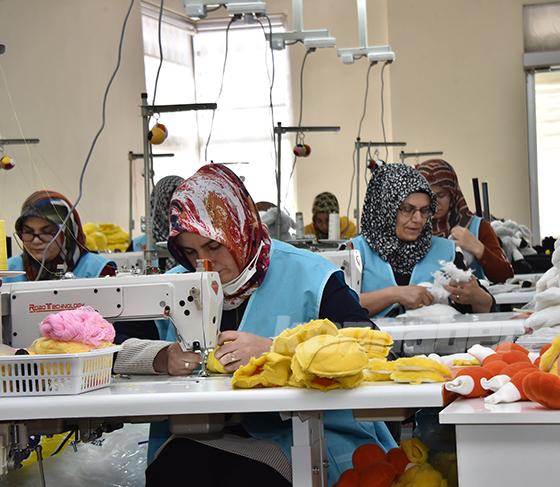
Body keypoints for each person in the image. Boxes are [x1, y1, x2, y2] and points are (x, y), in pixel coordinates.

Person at [113, 164, 394, 486]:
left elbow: (375, 351)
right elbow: (109, 347)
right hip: (200, 438)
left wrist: (277, 351)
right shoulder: (176, 285)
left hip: (299, 437)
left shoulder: (311, 276)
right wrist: (161, 357)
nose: (204, 263)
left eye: (214, 246)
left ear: (240, 230)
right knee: (177, 471)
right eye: (190, 252)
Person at [350, 164, 494, 317]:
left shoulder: (447, 251)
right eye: (407, 209)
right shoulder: (356, 251)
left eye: (425, 210)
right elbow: (340, 308)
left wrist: (478, 298)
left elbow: (484, 307)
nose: (418, 219)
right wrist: (395, 295)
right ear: (384, 208)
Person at [415, 159, 514, 283]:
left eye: (441, 195)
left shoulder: (477, 227)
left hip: (469, 295)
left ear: (453, 194)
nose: (435, 203)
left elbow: (506, 275)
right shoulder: (412, 228)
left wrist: (477, 248)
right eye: (428, 196)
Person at [4, 190, 115, 283]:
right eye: (28, 232)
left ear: (67, 233)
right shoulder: (8, 271)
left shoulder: (99, 270)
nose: (36, 241)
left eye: (46, 232)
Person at [131, 175, 184, 266]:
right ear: (158, 205)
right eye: (170, 202)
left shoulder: (197, 240)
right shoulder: (138, 246)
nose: (175, 210)